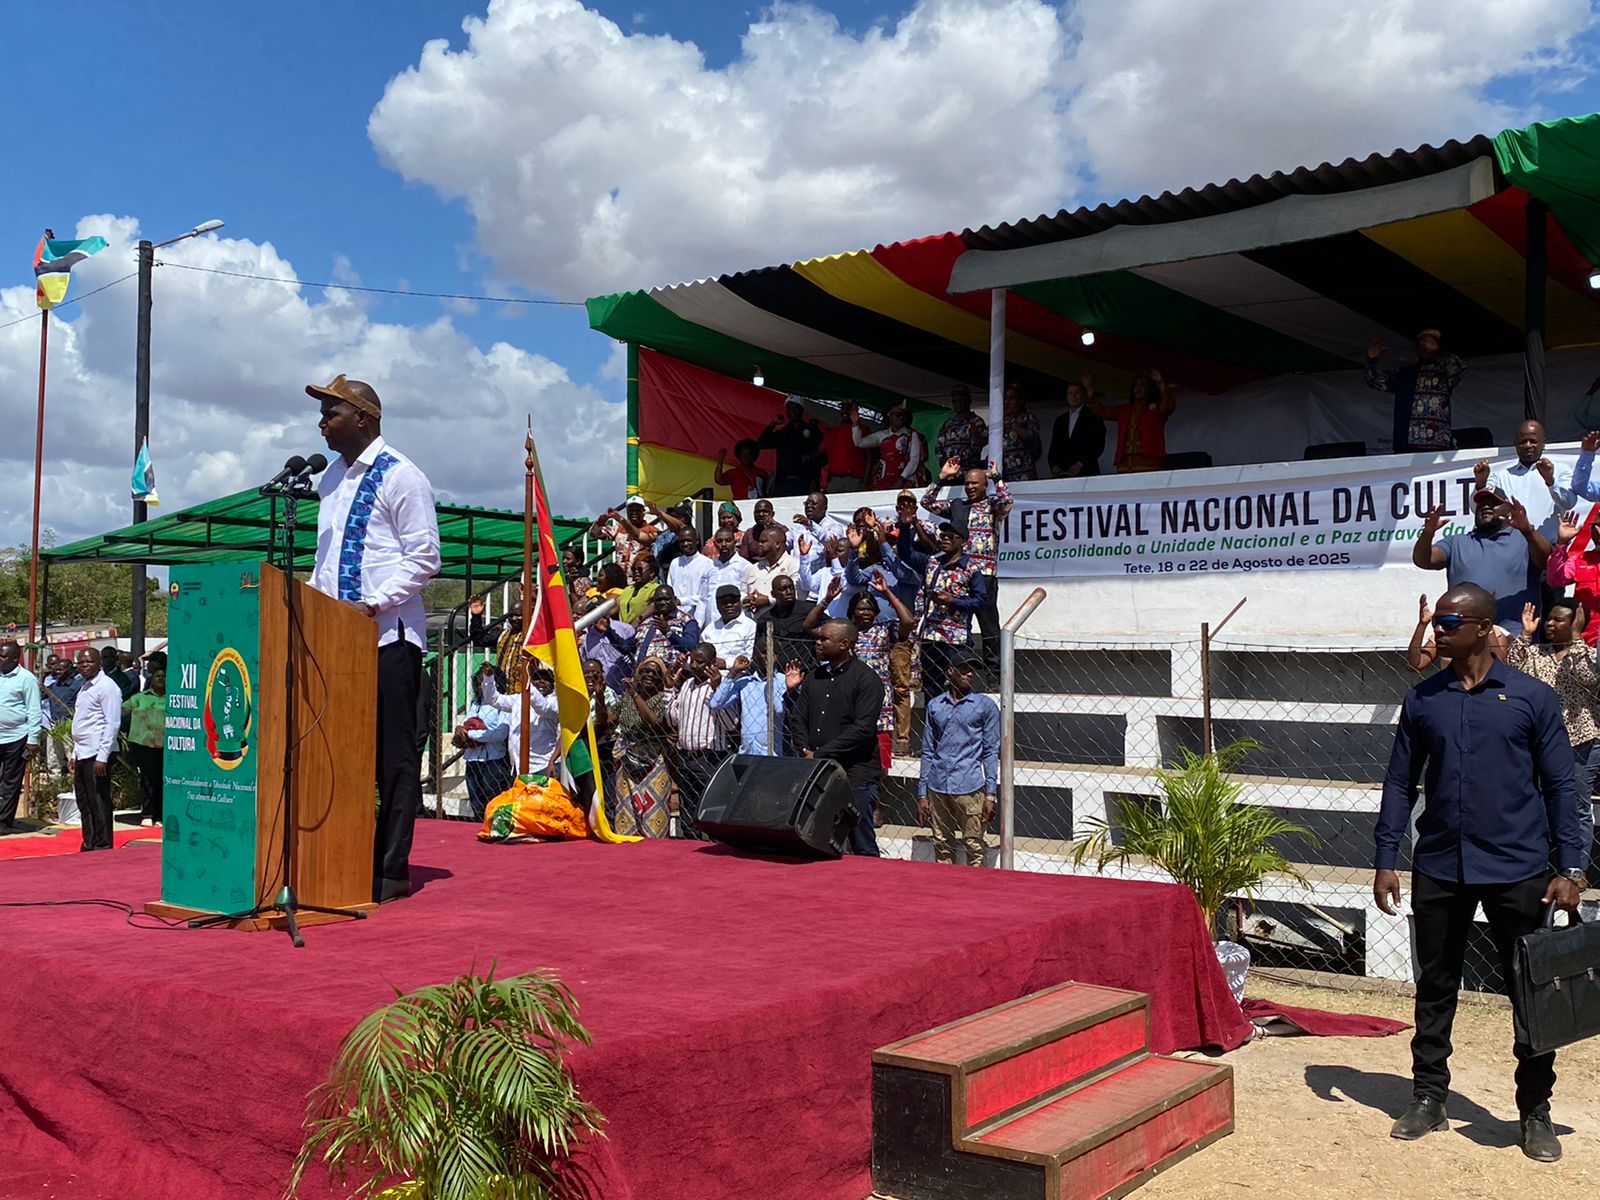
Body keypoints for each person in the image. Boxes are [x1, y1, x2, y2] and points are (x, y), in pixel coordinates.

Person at [1375, 583, 1584, 1161]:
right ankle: (1427, 1097)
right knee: (1436, 984)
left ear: (1483, 627)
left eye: (1448, 622)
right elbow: (1399, 782)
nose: (1437, 630)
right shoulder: (1423, 701)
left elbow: (1563, 786)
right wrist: (1386, 857)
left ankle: (1534, 1109)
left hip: (1520, 868)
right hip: (1441, 864)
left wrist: (1571, 866)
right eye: (1438, 621)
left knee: (1530, 991)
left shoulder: (1531, 699)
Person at [306, 373, 441, 904]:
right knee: (341, 754)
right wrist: (313, 608)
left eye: (331, 413)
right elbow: (326, 561)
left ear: (363, 417)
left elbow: (424, 557)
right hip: (336, 642)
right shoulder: (330, 479)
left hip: (389, 639)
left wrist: (373, 604)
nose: (322, 423)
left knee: (394, 757)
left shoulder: (402, 476)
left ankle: (390, 869)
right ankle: (345, 857)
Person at [1506, 599, 1599, 864]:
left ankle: (1575, 868)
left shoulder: (1589, 655)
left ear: (1575, 623)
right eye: (1549, 619)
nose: (1550, 624)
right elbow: (1511, 670)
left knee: (1577, 807)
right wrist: (1524, 635)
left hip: (1578, 741)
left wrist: (1579, 639)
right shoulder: (1538, 653)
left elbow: (1588, 678)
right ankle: (1541, 864)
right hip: (1540, 742)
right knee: (1538, 804)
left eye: (1559, 620)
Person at [784, 620, 885, 856]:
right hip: (818, 772)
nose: (817, 643)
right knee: (819, 839)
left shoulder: (866, 680)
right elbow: (799, 715)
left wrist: (819, 753)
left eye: (824, 639)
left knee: (861, 842)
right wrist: (805, 749)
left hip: (854, 775)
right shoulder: (815, 677)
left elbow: (862, 729)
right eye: (818, 638)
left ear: (844, 644)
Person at [1412, 487, 1548, 636]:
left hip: (1515, 632)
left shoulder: (1525, 539)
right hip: (1465, 637)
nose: (1486, 506)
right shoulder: (1457, 542)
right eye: (1481, 503)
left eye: (1493, 503)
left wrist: (1528, 530)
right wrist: (1428, 533)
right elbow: (1423, 560)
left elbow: (1547, 562)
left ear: (1508, 509)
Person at [923, 458, 1011, 675]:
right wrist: (941, 478)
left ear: (984, 485)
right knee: (957, 624)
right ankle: (958, 668)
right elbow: (926, 502)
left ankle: (994, 673)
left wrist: (998, 478)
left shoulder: (992, 506)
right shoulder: (957, 506)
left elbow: (1007, 502)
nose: (970, 487)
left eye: (975, 483)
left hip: (985, 572)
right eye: (967, 483)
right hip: (958, 574)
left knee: (989, 623)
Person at [918, 649, 1001, 866]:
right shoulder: (935, 705)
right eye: (964, 669)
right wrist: (922, 793)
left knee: (974, 844)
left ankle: (976, 891)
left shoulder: (985, 706)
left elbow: (991, 750)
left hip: (970, 786)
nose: (969, 674)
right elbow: (928, 749)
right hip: (938, 785)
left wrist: (991, 794)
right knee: (942, 844)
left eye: (971, 669)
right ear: (950, 672)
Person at [844, 533, 924, 754]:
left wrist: (887, 588)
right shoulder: (874, 569)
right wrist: (853, 551)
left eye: (894, 542)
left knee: (899, 686)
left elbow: (905, 578)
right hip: (872, 633)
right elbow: (853, 579)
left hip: (898, 634)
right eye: (888, 541)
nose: (891, 546)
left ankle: (902, 737)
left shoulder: (909, 569)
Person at [906, 522, 988, 698]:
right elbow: (906, 554)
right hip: (930, 636)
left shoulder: (971, 569)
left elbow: (980, 602)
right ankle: (934, 723)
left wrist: (953, 601)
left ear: (963, 541)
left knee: (959, 684)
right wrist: (906, 525)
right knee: (930, 688)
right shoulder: (932, 562)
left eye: (950, 536)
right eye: (942, 535)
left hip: (955, 639)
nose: (944, 539)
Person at [666, 644, 735, 837]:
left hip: (710, 757)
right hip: (686, 756)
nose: (695, 666)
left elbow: (730, 725)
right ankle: (690, 846)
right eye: (693, 661)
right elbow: (673, 719)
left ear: (713, 664)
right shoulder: (687, 685)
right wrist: (669, 690)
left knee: (712, 806)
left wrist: (718, 691)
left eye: (701, 662)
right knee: (687, 809)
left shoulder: (721, 688)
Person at [1366, 329, 1466, 453]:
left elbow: (1459, 367)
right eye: (1422, 342)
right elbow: (1375, 381)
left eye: (1430, 341)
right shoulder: (1405, 374)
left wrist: (1439, 350)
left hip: (1437, 443)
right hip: (1406, 443)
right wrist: (1371, 360)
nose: (1425, 345)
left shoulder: (1444, 372)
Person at [1477, 421, 1573, 544]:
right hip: (1511, 550)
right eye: (1522, 442)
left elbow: (1569, 503)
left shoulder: (1561, 470)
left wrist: (1550, 481)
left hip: (1550, 550)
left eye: (1533, 441)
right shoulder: (1500, 477)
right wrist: (1480, 484)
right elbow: (1479, 509)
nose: (1528, 445)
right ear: (1515, 444)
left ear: (1543, 443)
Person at [611, 657, 674, 838]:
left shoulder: (662, 699)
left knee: (653, 812)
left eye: (655, 673)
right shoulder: (627, 699)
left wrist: (635, 695)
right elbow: (607, 720)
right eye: (645, 671)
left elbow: (654, 722)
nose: (649, 675)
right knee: (626, 811)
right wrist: (600, 695)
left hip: (654, 760)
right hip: (627, 757)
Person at [70, 647, 122, 852]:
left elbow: (112, 723)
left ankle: (103, 843)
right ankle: (89, 841)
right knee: (84, 801)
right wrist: (75, 752)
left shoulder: (107, 687)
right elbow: (82, 721)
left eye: (88, 662)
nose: (84, 666)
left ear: (99, 663)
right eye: (81, 662)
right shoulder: (84, 687)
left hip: (98, 753)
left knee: (99, 800)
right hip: (82, 751)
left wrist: (103, 756)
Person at [455, 663, 513, 824]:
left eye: (485, 682)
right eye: (479, 683)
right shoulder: (477, 704)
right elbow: (468, 724)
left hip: (494, 759)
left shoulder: (504, 704)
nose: (482, 686)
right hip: (473, 759)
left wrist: (471, 734)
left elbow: (500, 734)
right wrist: (461, 730)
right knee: (476, 802)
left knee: (494, 800)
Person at [483, 664, 560, 776]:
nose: (541, 681)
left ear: (553, 684)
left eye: (546, 679)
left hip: (543, 766)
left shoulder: (554, 703)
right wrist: (489, 678)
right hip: (519, 767)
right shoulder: (519, 698)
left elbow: (542, 707)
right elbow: (495, 700)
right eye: (536, 678)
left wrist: (526, 681)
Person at [710, 643, 787, 756]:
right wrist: (733, 672)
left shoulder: (783, 681)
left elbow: (780, 709)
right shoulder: (745, 682)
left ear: (778, 656)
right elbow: (715, 703)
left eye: (772, 653)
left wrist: (771, 680)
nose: (768, 656)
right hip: (747, 752)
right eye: (764, 652)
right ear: (756, 655)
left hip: (771, 754)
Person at [0, 639, 42, 835]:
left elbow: (34, 711)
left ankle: (4, 822)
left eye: (3, 656)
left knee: (10, 782)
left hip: (16, 738)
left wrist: (33, 740)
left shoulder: (27, 679)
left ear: (16, 659)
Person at [1547, 505, 1600, 647]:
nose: (1597, 531)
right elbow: (1555, 579)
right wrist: (1562, 543)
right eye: (1594, 527)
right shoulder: (1580, 559)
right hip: (1584, 642)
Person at [1105, 370, 1177, 473]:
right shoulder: (1125, 410)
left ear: (1149, 389)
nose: (1138, 389)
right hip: (1124, 464)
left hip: (1149, 462)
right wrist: (1090, 390)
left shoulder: (1156, 407)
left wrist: (1162, 385)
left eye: (1142, 385)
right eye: (1135, 386)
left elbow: (1168, 407)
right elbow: (1102, 411)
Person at [122, 662, 166, 827]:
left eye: (164, 677)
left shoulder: (174, 699)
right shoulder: (139, 698)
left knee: (163, 780)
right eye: (157, 676)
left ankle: (160, 814)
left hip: (166, 747)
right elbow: (121, 713)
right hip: (143, 745)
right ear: (151, 679)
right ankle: (147, 814)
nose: (161, 679)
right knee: (148, 779)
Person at [757, 399, 825, 496]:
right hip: (782, 483)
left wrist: (814, 481)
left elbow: (819, 458)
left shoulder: (812, 430)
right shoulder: (783, 433)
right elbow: (761, 444)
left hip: (804, 482)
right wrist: (773, 423)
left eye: (795, 408)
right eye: (789, 408)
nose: (792, 411)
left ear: (801, 410)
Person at [854, 404, 927, 489]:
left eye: (903, 415)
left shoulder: (911, 435)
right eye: (897, 415)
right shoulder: (882, 435)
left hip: (905, 480)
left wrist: (901, 479)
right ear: (889, 416)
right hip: (884, 479)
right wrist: (855, 424)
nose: (901, 418)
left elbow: (914, 460)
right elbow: (859, 443)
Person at [635, 585, 701, 673]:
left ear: (674, 599)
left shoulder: (686, 621)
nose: (662, 603)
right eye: (658, 600)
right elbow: (630, 645)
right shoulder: (647, 622)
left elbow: (692, 646)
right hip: (644, 676)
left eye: (666, 599)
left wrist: (668, 632)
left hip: (672, 676)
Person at [754, 574, 815, 670]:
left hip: (803, 671)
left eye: (791, 588)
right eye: (783, 589)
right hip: (774, 675)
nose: (789, 592)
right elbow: (757, 649)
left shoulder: (809, 611)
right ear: (773, 594)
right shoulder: (765, 618)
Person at [577, 598, 637, 695]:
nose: (599, 617)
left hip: (626, 687)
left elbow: (630, 651)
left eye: (600, 611)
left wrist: (609, 631)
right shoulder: (587, 639)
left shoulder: (625, 629)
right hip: (603, 691)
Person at [1048, 381, 1107, 478]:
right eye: (1070, 393)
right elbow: (1054, 446)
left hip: (1087, 472)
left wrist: (1080, 464)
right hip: (1063, 474)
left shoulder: (1094, 415)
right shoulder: (1060, 420)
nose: (1073, 396)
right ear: (1067, 396)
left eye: (1077, 393)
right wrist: (1054, 466)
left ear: (1084, 395)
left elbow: (1097, 444)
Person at [40, 655, 81, 779]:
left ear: (69, 669)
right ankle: (56, 783)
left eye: (60, 670)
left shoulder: (76, 685)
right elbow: (41, 696)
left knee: (70, 754)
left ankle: (74, 781)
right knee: (53, 755)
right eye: (56, 670)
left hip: (68, 724)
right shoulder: (54, 685)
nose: (57, 672)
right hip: (54, 725)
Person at [746, 527, 800, 616]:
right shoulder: (753, 568)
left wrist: (769, 601)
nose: (759, 544)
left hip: (782, 621)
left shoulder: (794, 565)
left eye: (763, 542)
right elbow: (743, 591)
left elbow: (797, 595)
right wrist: (746, 600)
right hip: (754, 623)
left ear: (777, 544)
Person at [934, 384, 988, 472]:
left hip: (969, 472)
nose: (958, 404)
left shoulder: (976, 421)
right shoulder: (948, 424)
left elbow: (982, 442)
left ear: (969, 401)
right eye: (955, 401)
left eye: (961, 400)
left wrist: (975, 434)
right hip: (950, 473)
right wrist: (945, 463)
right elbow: (939, 447)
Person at [666, 527, 714, 628]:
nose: (685, 544)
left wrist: (682, 601)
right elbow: (669, 589)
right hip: (676, 617)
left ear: (696, 541)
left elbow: (705, 596)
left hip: (698, 617)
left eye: (688, 540)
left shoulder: (707, 563)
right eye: (682, 541)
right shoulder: (675, 563)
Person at [701, 528, 754, 614]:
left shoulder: (745, 566)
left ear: (734, 542)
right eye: (719, 541)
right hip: (712, 621)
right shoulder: (709, 566)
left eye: (728, 540)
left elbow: (747, 595)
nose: (724, 544)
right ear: (714, 544)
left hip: (735, 620)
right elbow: (703, 597)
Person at [821, 402, 871, 493]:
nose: (845, 410)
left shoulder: (863, 429)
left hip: (854, 479)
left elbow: (870, 457)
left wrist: (866, 481)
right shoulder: (832, 432)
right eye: (843, 407)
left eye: (849, 408)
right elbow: (821, 452)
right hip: (834, 479)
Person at [704, 585, 758, 666]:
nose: (729, 605)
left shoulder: (750, 627)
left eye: (733, 602)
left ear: (740, 602)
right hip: (708, 674)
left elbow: (751, 657)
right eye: (724, 602)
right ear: (717, 605)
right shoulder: (709, 629)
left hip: (739, 676)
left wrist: (726, 664)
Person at [999, 384, 1042, 481]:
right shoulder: (999, 420)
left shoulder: (1027, 417)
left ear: (1021, 400)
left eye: (1011, 398)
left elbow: (1032, 435)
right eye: (1005, 398)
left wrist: (1014, 427)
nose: (1007, 402)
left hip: (1023, 471)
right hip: (1004, 472)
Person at [616, 556, 661, 626]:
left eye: (640, 569)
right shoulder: (628, 589)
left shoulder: (656, 589)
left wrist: (638, 620)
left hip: (642, 629)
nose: (636, 572)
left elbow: (654, 605)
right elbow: (616, 605)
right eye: (633, 569)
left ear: (652, 572)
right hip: (624, 630)